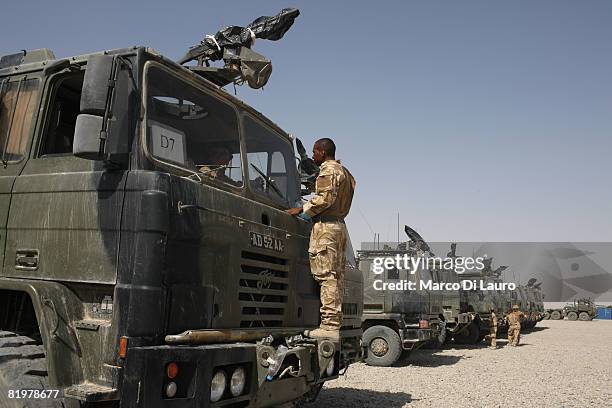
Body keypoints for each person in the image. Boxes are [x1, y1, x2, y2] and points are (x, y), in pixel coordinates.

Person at [286, 138, 356, 341]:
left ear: (322, 152)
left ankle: (329, 326)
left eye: (315, 152)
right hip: (339, 226)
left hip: (326, 227)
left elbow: (324, 198)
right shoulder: (345, 172)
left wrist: (303, 211)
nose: (313, 156)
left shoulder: (328, 170)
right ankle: (334, 323)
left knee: (326, 276)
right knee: (336, 277)